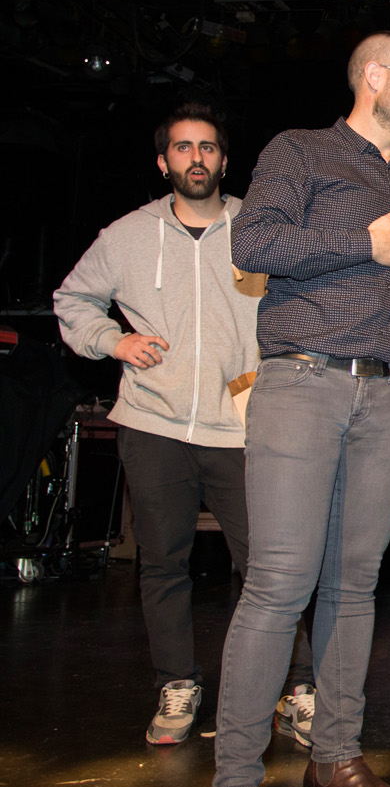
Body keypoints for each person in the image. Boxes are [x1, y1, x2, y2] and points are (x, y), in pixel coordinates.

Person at [200, 32, 390, 787]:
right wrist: (358, 244)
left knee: (355, 585)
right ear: (374, 76)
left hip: (386, 398)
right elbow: (251, 245)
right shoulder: (299, 151)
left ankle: (333, 760)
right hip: (301, 383)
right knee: (278, 584)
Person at [54, 103, 315, 748]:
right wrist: (114, 341)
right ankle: (177, 683)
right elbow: (72, 298)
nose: (196, 158)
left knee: (268, 568)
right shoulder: (127, 235)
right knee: (163, 565)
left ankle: (296, 686)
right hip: (154, 424)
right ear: (163, 161)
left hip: (243, 427)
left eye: (207, 147)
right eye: (182, 147)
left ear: (224, 161)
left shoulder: (260, 226)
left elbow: (305, 304)